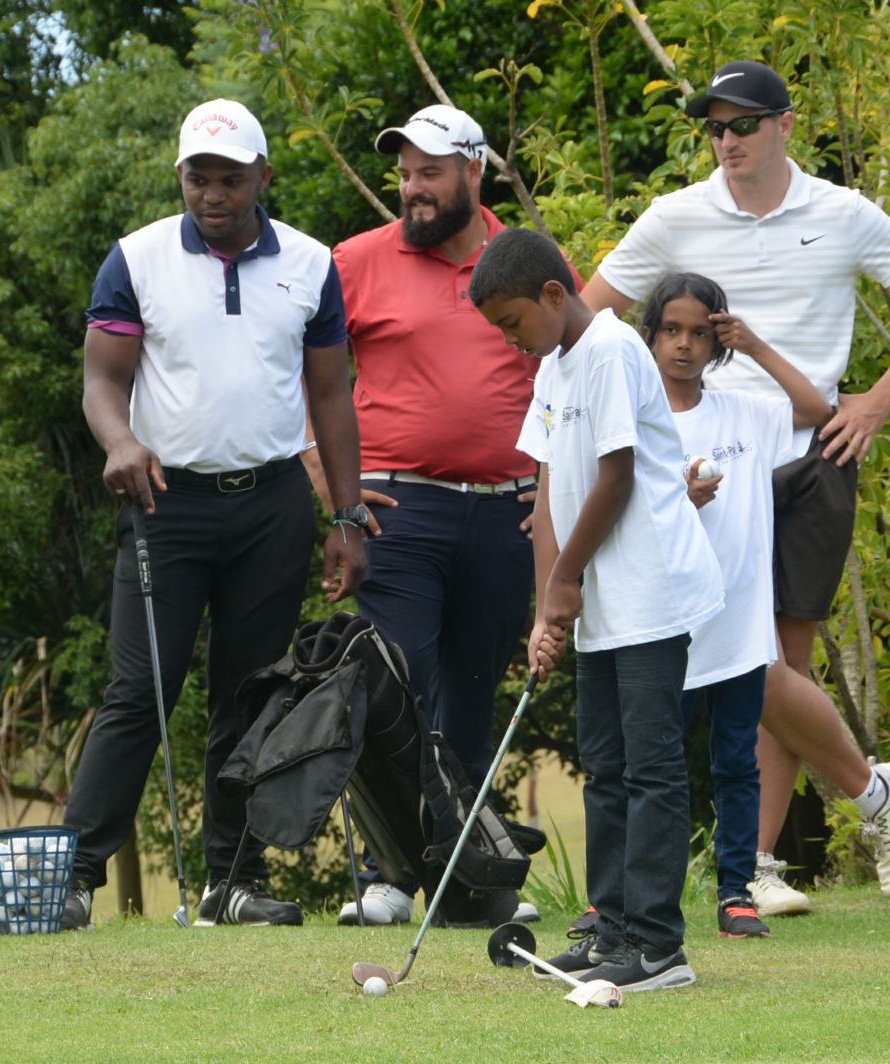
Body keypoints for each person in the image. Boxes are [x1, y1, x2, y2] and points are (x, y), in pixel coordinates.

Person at [582, 60, 890, 912]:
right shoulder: (675, 216)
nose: (728, 142)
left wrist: (878, 399)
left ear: (785, 126)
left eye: (744, 125)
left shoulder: (839, 212)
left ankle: (753, 865)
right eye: (715, 128)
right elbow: (587, 313)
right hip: (712, 469)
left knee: (776, 666)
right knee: (750, 669)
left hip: (814, 453)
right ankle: (873, 793)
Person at [60, 98, 368, 930]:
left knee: (252, 695)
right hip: (166, 502)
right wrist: (119, 441)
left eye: (230, 178)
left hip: (270, 502)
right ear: (182, 179)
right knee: (140, 691)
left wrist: (348, 517)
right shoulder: (138, 258)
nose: (213, 195)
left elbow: (331, 393)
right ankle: (72, 877)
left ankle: (229, 883)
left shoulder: (309, 264)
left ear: (262, 177)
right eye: (198, 178)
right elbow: (101, 382)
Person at [472, 226, 725, 992]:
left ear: (554, 294)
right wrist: (548, 606)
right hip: (598, 603)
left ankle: (657, 948)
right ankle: (612, 928)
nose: (513, 342)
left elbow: (615, 476)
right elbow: (550, 489)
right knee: (607, 769)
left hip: (650, 589)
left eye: (514, 323)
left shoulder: (614, 350)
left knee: (651, 770)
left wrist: (568, 580)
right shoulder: (553, 368)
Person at [311, 105, 545, 927]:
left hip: (503, 513)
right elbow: (306, 374)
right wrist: (324, 476)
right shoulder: (355, 262)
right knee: (393, 690)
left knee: (470, 703)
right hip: (397, 508)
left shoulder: (524, 257)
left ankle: (463, 877)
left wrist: (552, 490)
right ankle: (391, 875)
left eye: (429, 173)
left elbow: (566, 371)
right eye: (405, 174)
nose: (411, 189)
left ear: (473, 173)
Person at [640, 272, 831, 939]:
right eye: (671, 331)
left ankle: (735, 894)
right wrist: (677, 506)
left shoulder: (743, 413)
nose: (684, 346)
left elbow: (817, 409)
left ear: (716, 341)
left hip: (738, 628)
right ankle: (639, 900)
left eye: (699, 333)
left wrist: (753, 347)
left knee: (736, 762)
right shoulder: (638, 420)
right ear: (651, 335)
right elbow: (621, 514)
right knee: (655, 767)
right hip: (663, 623)